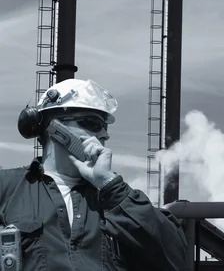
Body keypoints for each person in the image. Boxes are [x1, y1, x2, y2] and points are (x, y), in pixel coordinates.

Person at [0, 78, 187, 270]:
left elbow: (175, 258)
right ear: (55, 127)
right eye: (92, 123)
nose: (104, 135)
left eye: (105, 127)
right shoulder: (7, 189)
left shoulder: (117, 200)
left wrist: (109, 184)